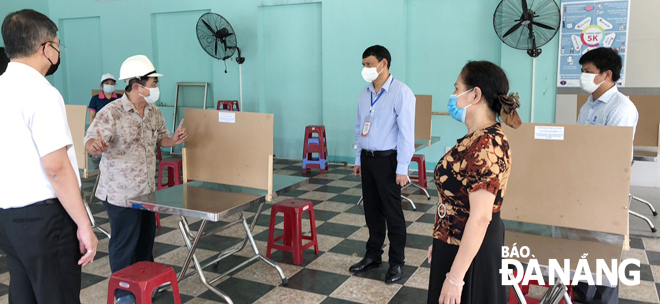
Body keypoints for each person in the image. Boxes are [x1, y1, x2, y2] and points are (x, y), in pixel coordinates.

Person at [0, 9, 98, 304]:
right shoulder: (41, 93)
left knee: (23, 293)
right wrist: (84, 223)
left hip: (9, 219)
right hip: (45, 220)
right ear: (46, 48)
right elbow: (56, 168)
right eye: (57, 44)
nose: (58, 50)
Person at [84, 55, 187, 304]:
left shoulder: (153, 112)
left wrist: (172, 140)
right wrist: (94, 146)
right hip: (120, 194)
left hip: (146, 192)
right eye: (152, 82)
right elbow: (89, 142)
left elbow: (161, 137)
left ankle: (145, 283)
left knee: (145, 240)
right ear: (137, 85)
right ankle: (123, 293)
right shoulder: (112, 112)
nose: (155, 86)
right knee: (124, 243)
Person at [427, 61, 521, 304]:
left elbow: (480, 217)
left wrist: (456, 277)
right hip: (458, 243)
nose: (454, 95)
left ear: (475, 94)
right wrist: (441, 237)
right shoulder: (477, 138)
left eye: (457, 89)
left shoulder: (486, 144)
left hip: (473, 252)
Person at [573, 47, 637, 304]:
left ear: (607, 74)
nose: (583, 76)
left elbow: (614, 157)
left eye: (588, 72)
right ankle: (580, 295)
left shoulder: (621, 108)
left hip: (605, 191)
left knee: (604, 254)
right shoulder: (588, 106)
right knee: (582, 250)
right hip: (583, 187)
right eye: (582, 71)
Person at [349, 45, 415, 284]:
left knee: (392, 213)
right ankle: (373, 255)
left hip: (389, 161)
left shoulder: (401, 92)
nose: (365, 69)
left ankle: (396, 261)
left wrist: (402, 168)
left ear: (383, 64)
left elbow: (407, 134)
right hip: (368, 159)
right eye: (364, 64)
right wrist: (358, 159)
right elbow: (359, 128)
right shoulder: (365, 93)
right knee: (372, 211)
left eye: (369, 64)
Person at [88, 73, 122, 169]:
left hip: (116, 129)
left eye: (112, 83)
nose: (110, 85)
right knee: (102, 153)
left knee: (115, 152)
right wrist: (92, 131)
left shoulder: (120, 98)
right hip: (101, 130)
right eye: (107, 83)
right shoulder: (95, 99)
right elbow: (92, 116)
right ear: (102, 85)